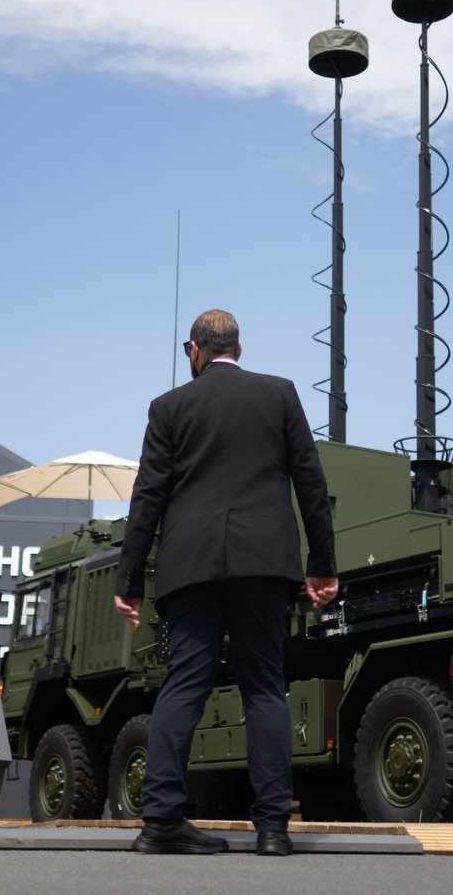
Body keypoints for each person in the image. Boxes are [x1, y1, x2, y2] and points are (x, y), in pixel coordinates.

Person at [114, 309, 337, 857]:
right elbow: (311, 481)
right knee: (264, 686)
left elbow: (148, 497)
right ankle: (272, 829)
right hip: (264, 562)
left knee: (185, 683)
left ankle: (161, 820)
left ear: (195, 349)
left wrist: (129, 578)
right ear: (238, 347)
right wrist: (323, 564)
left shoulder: (168, 407)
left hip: (190, 565)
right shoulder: (280, 394)